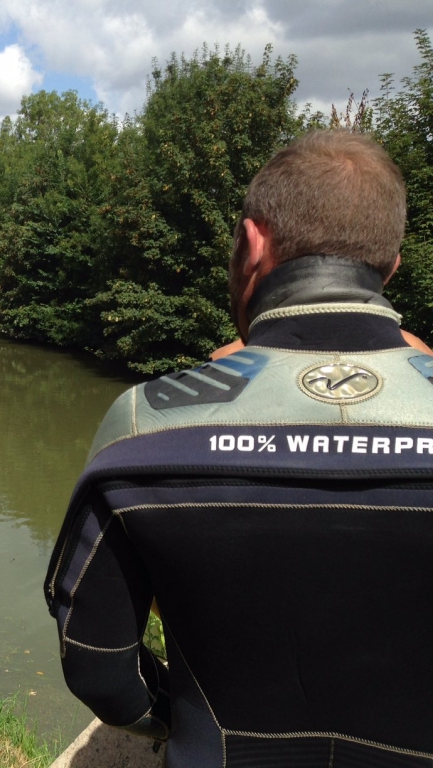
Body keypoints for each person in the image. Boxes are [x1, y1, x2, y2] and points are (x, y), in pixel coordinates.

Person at [44, 130, 433, 764]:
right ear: (390, 267)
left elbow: (97, 667)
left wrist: (177, 715)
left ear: (252, 245)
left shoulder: (145, 425)